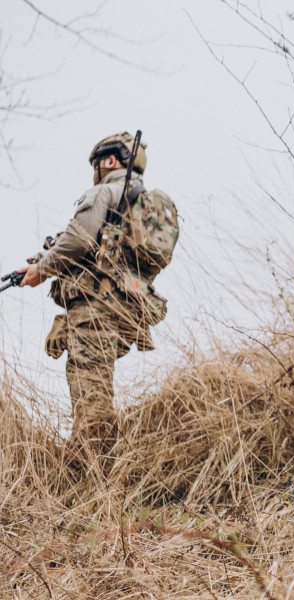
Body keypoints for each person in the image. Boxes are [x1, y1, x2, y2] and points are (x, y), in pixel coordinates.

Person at [16, 132, 177, 453]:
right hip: (131, 309)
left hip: (97, 307)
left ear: (111, 161)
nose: (96, 169)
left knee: (90, 386)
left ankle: (94, 464)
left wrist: (42, 269)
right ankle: (98, 454)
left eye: (97, 163)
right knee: (98, 380)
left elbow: (78, 240)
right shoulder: (147, 206)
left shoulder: (105, 191)